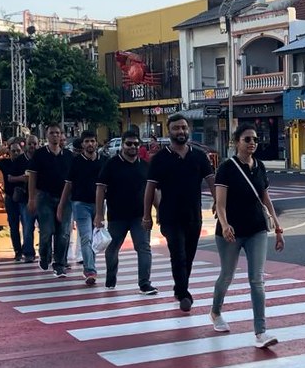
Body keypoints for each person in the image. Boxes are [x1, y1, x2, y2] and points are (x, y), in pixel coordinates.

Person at [211, 123, 285, 348]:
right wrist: (224, 225)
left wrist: (278, 227)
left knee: (257, 280)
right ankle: (215, 312)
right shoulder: (227, 168)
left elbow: (265, 198)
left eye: (255, 139)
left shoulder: (259, 166)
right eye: (247, 139)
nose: (252, 143)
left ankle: (260, 332)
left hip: (256, 229)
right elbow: (220, 204)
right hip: (231, 232)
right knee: (227, 275)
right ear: (236, 142)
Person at [143, 113, 216, 312]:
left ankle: (180, 287)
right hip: (169, 216)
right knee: (178, 254)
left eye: (183, 127)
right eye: (176, 128)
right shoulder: (159, 159)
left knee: (189, 256)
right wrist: (147, 215)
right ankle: (184, 293)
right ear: (169, 131)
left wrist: (219, 201)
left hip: (194, 215)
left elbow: (211, 180)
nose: (181, 131)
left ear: (188, 130)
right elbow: (150, 188)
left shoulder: (199, 156)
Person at [94, 129, 156, 292]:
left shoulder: (145, 166)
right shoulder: (111, 164)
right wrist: (99, 214)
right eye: (129, 144)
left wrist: (159, 210)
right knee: (113, 249)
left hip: (140, 216)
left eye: (136, 144)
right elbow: (100, 188)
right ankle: (110, 278)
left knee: (144, 247)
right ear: (122, 145)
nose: (133, 147)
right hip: (117, 216)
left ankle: (144, 283)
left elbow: (153, 190)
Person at [58, 130, 105, 285]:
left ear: (96, 143)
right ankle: (90, 269)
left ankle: (90, 264)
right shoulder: (76, 162)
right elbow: (68, 184)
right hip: (80, 204)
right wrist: (61, 205)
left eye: (92, 141)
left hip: (99, 204)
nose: (90, 144)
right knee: (86, 237)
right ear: (83, 144)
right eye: (87, 141)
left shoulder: (104, 161)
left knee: (96, 236)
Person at [27, 124, 74, 277]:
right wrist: (31, 198)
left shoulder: (68, 155)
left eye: (58, 133)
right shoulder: (40, 154)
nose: (55, 136)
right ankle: (44, 254)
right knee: (47, 231)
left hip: (64, 198)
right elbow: (32, 177)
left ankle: (59, 264)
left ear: (61, 135)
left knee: (63, 233)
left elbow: (72, 179)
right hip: (44, 197)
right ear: (46, 136)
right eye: (52, 133)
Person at [0, 138, 27, 261]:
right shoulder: (5, 162)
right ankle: (17, 251)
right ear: (9, 152)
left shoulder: (25, 161)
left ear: (22, 151)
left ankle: (26, 249)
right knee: (13, 226)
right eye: (13, 151)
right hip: (10, 198)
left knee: (27, 225)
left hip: (24, 197)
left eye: (18, 151)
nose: (16, 153)